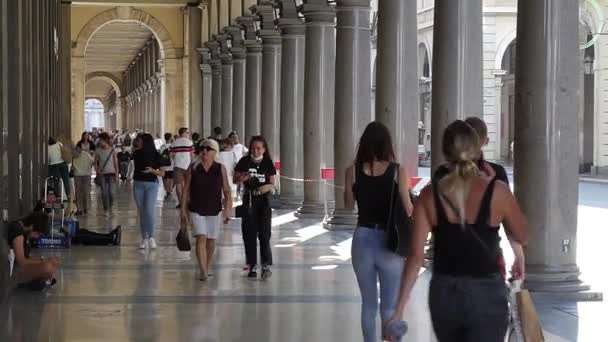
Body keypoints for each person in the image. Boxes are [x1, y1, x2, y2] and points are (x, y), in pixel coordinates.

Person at [387, 120, 528, 342]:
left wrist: (399, 310)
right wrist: (497, 191)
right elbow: (523, 234)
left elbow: (415, 257)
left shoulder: (428, 195)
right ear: (476, 148)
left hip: (445, 290)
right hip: (486, 290)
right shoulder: (496, 191)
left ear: (444, 152)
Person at [341, 121, 414, 342]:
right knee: (389, 306)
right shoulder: (397, 171)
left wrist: (352, 186)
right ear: (386, 144)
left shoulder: (351, 171)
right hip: (389, 240)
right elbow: (409, 210)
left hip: (362, 238)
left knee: (369, 305)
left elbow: (347, 205)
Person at [181, 139, 232, 281]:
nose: (204, 151)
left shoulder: (220, 168)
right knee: (201, 237)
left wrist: (228, 209)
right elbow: (185, 190)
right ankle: (203, 270)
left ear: (214, 152)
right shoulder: (193, 167)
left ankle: (207, 265)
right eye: (202, 148)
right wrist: (183, 211)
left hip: (214, 208)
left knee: (211, 240)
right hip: (196, 208)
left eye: (208, 149)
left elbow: (227, 190)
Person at [234, 136, 277, 279]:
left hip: (263, 202)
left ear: (264, 149)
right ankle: (252, 265)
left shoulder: (267, 163)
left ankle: (265, 265)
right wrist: (243, 178)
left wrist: (264, 189)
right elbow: (235, 178)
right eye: (253, 148)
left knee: (264, 234)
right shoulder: (244, 161)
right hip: (249, 200)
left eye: (259, 148)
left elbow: (272, 183)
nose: (256, 151)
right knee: (249, 234)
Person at [5, 211, 58, 290]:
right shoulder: (18, 233)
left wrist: (43, 259)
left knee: (53, 261)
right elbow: (21, 262)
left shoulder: (24, 231)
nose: (36, 237)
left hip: (22, 267)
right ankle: (37, 281)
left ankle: (41, 281)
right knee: (48, 268)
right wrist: (43, 262)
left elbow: (26, 257)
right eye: (38, 234)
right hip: (16, 271)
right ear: (32, 226)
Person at [132, 133, 164, 249]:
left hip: (151, 184)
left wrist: (152, 171)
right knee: (142, 212)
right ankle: (144, 237)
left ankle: (151, 236)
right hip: (138, 184)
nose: (138, 142)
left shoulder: (156, 154)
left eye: (140, 140)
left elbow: (162, 172)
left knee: (149, 211)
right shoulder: (136, 153)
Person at [94, 132, 119, 216]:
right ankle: (106, 209)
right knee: (104, 192)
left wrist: (117, 175)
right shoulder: (98, 151)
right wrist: (97, 170)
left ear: (105, 140)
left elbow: (116, 163)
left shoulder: (112, 150)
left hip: (111, 173)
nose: (100, 142)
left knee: (111, 193)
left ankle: (110, 205)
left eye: (101, 140)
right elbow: (95, 162)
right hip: (102, 174)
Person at [171, 127, 195, 209]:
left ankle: (181, 202)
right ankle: (187, 201)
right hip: (188, 166)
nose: (188, 134)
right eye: (187, 132)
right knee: (187, 184)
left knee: (178, 184)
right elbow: (192, 155)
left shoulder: (174, 143)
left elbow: (172, 155)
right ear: (183, 133)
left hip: (177, 165)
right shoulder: (189, 142)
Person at [72, 145, 95, 216]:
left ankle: (81, 209)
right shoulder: (86, 154)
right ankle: (84, 209)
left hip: (81, 175)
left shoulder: (76, 156)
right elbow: (92, 161)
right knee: (85, 192)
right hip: (84, 175)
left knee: (80, 192)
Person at [160, 132, 175, 199]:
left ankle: (166, 190)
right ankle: (170, 190)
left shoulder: (162, 146)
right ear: (171, 138)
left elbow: (160, 155)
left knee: (165, 178)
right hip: (171, 165)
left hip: (164, 165)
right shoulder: (172, 146)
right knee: (171, 177)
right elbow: (174, 155)